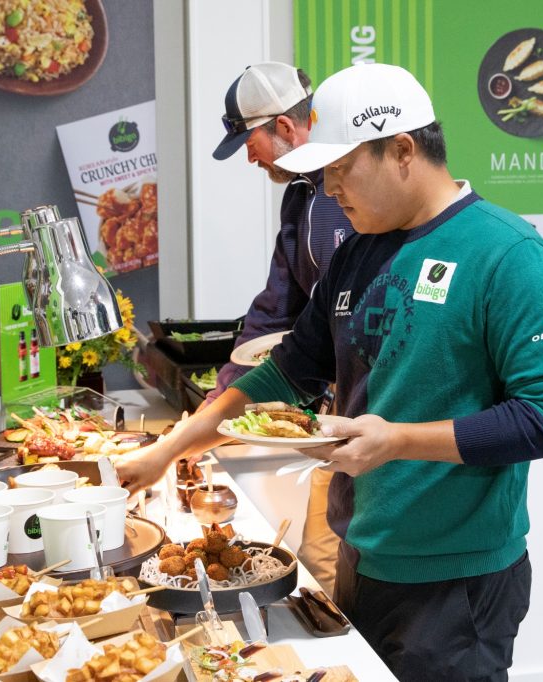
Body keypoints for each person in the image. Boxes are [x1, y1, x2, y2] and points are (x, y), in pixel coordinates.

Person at [117, 63, 543, 682]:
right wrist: (172, 446)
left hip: (457, 579)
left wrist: (396, 442)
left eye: (342, 170)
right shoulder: (357, 253)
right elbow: (287, 374)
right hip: (362, 556)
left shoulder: (508, 254)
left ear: (402, 150)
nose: (330, 188)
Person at [208, 62, 356, 593]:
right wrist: (225, 390)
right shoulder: (298, 198)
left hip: (378, 414)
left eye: (250, 141)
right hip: (335, 410)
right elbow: (278, 305)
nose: (249, 156)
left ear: (286, 128)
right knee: (320, 560)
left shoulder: (355, 197)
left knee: (338, 561)